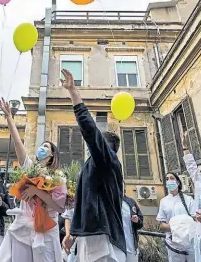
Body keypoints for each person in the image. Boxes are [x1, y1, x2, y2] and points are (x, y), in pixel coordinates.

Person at [60, 69, 126, 262]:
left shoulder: (107, 160)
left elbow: (89, 130)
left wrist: (73, 93)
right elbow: (85, 202)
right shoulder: (93, 167)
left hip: (103, 242)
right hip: (91, 238)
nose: (89, 147)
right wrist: (73, 234)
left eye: (93, 145)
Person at [0, 97, 66, 262]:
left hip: (46, 230)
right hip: (24, 228)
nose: (42, 148)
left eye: (46, 147)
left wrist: (37, 192)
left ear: (52, 154)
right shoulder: (30, 169)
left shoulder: (58, 176)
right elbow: (18, 143)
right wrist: (9, 118)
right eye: (41, 145)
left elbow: (59, 207)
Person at [156, 173, 195, 262]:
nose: (169, 180)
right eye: (167, 179)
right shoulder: (163, 201)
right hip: (172, 244)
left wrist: (180, 227)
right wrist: (177, 228)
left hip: (189, 242)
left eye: (171, 178)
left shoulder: (188, 199)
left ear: (177, 182)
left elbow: (195, 220)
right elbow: (162, 225)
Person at [121, 193, 144, 262]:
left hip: (131, 246)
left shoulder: (131, 202)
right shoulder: (110, 202)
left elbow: (140, 222)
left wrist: (137, 220)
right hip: (116, 247)